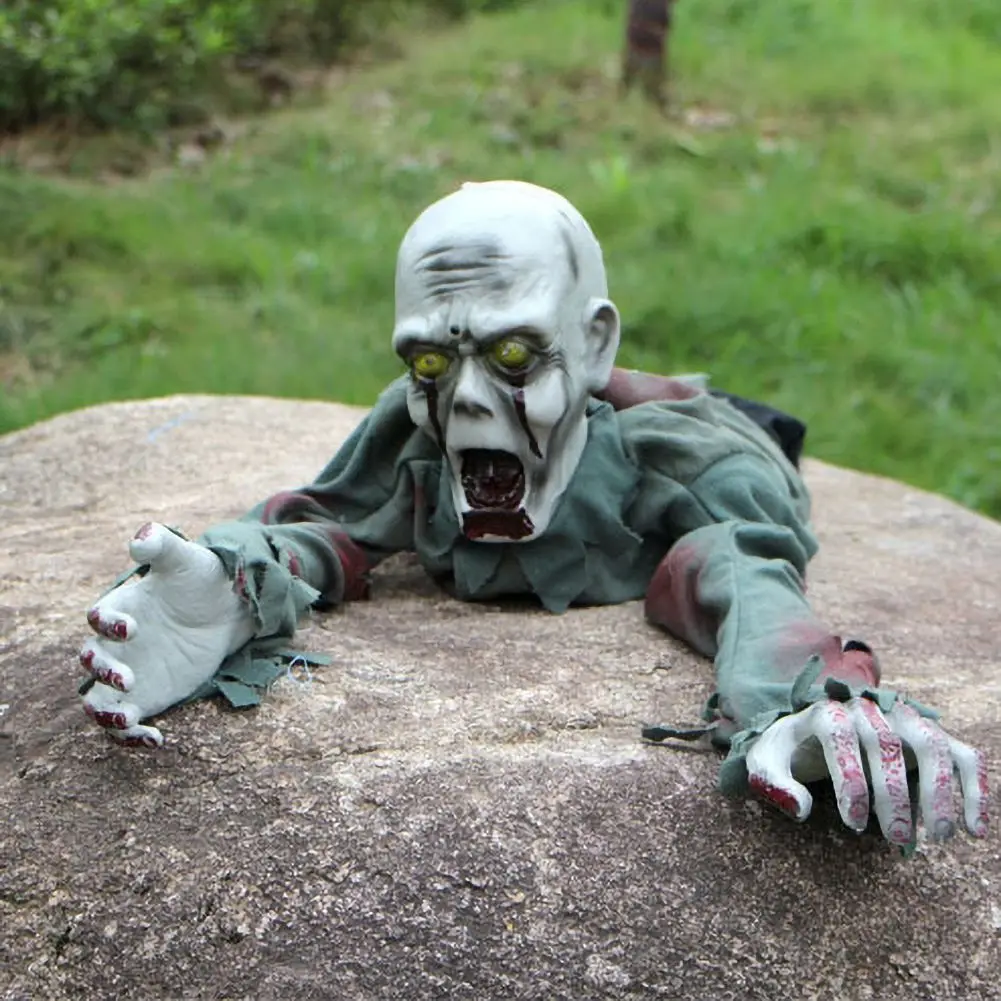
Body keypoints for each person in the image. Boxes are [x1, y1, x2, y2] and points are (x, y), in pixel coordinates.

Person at [78, 180, 988, 847]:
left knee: (702, 414)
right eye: (431, 363)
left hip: (703, 424)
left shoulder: (680, 462)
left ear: (592, 344)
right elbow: (327, 520)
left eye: (514, 353)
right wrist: (229, 588)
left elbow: (742, 564)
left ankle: (647, 382)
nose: (466, 400)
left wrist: (803, 697)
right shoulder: (416, 430)